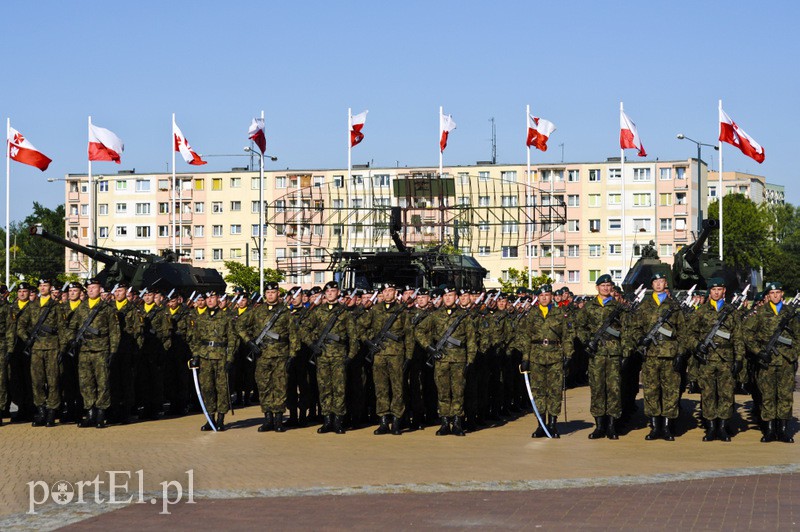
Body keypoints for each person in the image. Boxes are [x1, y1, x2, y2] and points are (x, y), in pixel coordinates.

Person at [628, 273, 688, 441]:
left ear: (665, 284)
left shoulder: (674, 306)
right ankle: (655, 427)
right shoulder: (644, 306)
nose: (659, 284)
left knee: (670, 390)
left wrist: (680, 352)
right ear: (651, 285)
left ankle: (668, 427)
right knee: (652, 390)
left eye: (662, 281)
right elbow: (634, 328)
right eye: (656, 281)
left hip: (670, 353)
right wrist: (641, 343)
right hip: (651, 355)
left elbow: (683, 332)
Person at [688, 278, 744, 442]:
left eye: (719, 289)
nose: (717, 292)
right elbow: (690, 334)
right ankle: (711, 427)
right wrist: (697, 346)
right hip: (707, 360)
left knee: (726, 394)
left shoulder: (732, 312)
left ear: (724, 291)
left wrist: (739, 359)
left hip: (726, 360)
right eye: (714, 290)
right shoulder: (700, 311)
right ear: (709, 292)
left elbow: (738, 338)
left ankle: (722, 427)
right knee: (708, 394)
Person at [515, 284, 574, 438]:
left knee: (554, 391)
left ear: (551, 296)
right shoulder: (531, 315)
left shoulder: (560, 313)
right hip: (536, 356)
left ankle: (553, 424)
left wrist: (568, 356)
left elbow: (567, 336)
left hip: (555, 356)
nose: (544, 298)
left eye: (547, 295)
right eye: (541, 296)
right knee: (539, 391)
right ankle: (541, 424)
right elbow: (525, 337)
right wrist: (525, 358)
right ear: (537, 298)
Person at [238, 282, 298, 432]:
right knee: (264, 386)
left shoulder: (285, 312)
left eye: (273, 292)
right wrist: (249, 342)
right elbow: (239, 325)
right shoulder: (256, 312)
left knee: (279, 387)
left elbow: (293, 335)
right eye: (268, 292)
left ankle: (278, 419)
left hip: (280, 354)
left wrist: (292, 355)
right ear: (265, 294)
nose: (271, 295)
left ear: (278, 294)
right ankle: (268, 419)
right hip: (262, 355)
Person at [417, 285, 476, 436]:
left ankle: (457, 422)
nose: (448, 298)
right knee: (443, 392)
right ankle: (444, 422)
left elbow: (471, 339)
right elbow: (419, 331)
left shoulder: (464, 316)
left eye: (451, 295)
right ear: (442, 298)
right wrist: (429, 348)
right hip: (441, 359)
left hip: (459, 359)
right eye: (446, 296)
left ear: (456, 297)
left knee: (458, 392)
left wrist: (470, 359)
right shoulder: (435, 315)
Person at [577, 274, 629, 439]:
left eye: (609, 286)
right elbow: (579, 326)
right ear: (597, 287)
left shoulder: (618, 307)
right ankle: (599, 426)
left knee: (614, 389)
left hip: (614, 353)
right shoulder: (589, 307)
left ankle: (612, 426)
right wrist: (587, 341)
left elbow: (628, 330)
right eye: (603, 285)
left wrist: (625, 352)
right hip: (596, 353)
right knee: (597, 388)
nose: (606, 288)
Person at [744, 281, 797, 443]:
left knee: (784, 396)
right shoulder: (760, 312)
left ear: (782, 295)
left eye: (778, 293)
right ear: (768, 295)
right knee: (767, 396)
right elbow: (747, 334)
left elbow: (798, 335)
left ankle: (782, 430)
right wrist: (758, 352)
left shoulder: (791, 313)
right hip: (766, 362)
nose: (775, 296)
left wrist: (793, 353)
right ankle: (769, 430)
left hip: (786, 361)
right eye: (772, 293)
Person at [302, 281, 357, 434]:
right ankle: (327, 421)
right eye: (328, 291)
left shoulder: (345, 313)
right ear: (324, 294)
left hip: (339, 356)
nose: (331, 293)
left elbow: (353, 337)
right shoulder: (317, 312)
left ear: (338, 293)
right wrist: (312, 345)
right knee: (324, 388)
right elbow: (304, 329)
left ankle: (338, 421)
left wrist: (350, 356)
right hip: (322, 356)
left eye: (334, 291)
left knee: (339, 389)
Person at [66, 278, 121, 428]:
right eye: (89, 288)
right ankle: (90, 412)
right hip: (84, 350)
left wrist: (113, 351)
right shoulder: (81, 308)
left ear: (100, 289)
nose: (91, 290)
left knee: (102, 382)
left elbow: (114, 332)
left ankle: (101, 414)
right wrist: (72, 340)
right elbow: (71, 327)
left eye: (94, 287)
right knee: (86, 382)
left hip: (101, 349)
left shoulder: (107, 308)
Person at [361, 283, 414, 435]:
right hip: (379, 355)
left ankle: (397, 421)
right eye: (385, 291)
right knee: (381, 389)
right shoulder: (375, 310)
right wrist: (368, 341)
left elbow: (409, 336)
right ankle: (383, 421)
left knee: (398, 389)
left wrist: (409, 357)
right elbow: (360, 328)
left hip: (397, 355)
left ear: (395, 293)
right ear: (382, 294)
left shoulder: (402, 311)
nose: (388, 293)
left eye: (391, 291)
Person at [189, 290, 239, 431]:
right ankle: (210, 418)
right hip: (205, 357)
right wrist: (196, 356)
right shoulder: (201, 317)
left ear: (218, 299)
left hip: (221, 356)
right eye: (207, 298)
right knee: (207, 387)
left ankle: (221, 419)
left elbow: (232, 339)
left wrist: (230, 358)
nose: (210, 300)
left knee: (222, 388)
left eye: (213, 297)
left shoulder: (226, 317)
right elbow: (195, 339)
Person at [17, 279, 62, 427]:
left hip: (52, 347)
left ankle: (51, 412)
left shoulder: (55, 306)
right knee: (37, 381)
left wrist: (61, 347)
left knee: (53, 381)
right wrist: (28, 339)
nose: (43, 288)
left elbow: (62, 328)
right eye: (41, 286)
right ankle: (41, 410)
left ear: (50, 288)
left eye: (46, 286)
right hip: (36, 348)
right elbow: (21, 325)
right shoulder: (32, 305)